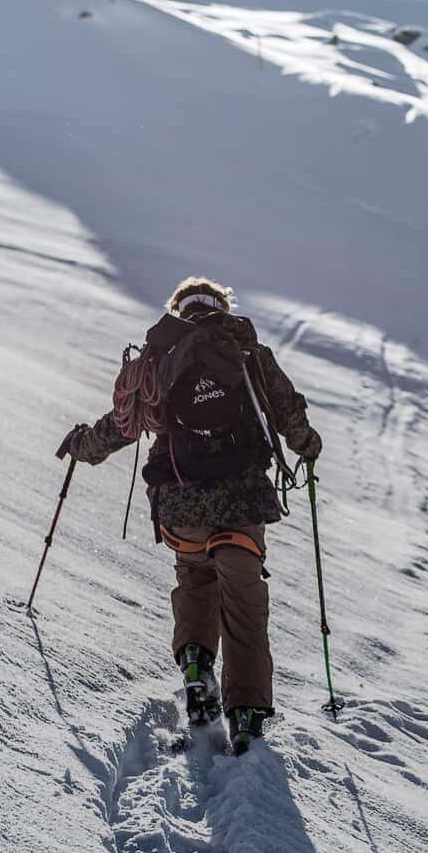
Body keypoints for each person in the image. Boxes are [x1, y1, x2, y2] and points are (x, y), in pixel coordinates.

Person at [57, 277, 322, 754]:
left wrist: (81, 447)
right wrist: (308, 446)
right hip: (241, 502)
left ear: (179, 309)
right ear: (221, 307)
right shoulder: (246, 352)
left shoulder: (160, 359)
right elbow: (289, 414)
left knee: (195, 580)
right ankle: (246, 718)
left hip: (180, 505)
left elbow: (122, 428)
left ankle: (197, 668)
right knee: (243, 603)